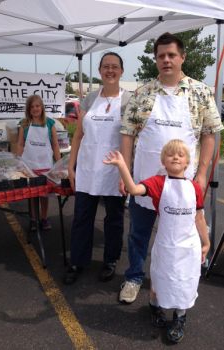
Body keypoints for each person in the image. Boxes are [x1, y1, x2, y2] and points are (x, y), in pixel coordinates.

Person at [118, 32, 223, 304]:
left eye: (171, 55)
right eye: (161, 55)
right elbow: (127, 134)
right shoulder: (142, 93)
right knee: (138, 234)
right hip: (145, 181)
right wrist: (126, 174)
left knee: (178, 238)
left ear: (182, 57)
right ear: (155, 59)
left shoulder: (200, 92)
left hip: (182, 186)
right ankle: (134, 277)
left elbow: (210, 134)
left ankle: (176, 282)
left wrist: (201, 174)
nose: (166, 60)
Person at [104, 139, 210, 343]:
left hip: (189, 246)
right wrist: (122, 166)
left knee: (185, 281)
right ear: (164, 161)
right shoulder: (158, 183)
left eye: (180, 154)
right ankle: (155, 306)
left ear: (187, 162)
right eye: (171, 154)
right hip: (166, 245)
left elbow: (199, 217)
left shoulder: (194, 187)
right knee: (161, 278)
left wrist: (206, 242)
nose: (176, 157)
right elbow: (134, 190)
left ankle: (180, 317)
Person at [64, 52, 131, 284]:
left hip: (115, 171)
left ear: (121, 71)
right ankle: (77, 261)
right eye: (105, 67)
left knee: (113, 218)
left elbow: (133, 139)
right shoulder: (90, 99)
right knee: (82, 217)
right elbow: (78, 135)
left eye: (114, 66)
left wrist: (127, 174)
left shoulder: (129, 100)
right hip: (88, 168)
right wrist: (71, 167)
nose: (110, 70)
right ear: (100, 71)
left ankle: (110, 260)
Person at [17, 94, 61, 230]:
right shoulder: (24, 124)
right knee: (32, 195)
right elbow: (20, 144)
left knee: (44, 194)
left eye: (37, 106)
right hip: (29, 165)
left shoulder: (50, 123)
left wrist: (59, 165)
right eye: (32, 107)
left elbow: (55, 145)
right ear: (28, 109)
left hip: (45, 165)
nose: (35, 109)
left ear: (42, 107)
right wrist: (18, 163)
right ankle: (33, 219)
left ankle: (44, 218)